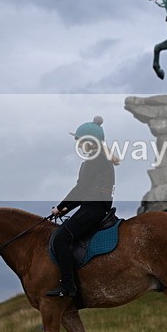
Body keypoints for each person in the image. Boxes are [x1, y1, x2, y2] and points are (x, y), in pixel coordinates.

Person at [47, 116, 116, 297]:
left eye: (80, 141)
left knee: (60, 239)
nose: (78, 144)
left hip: (92, 209)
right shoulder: (100, 158)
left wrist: (60, 207)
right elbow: (84, 192)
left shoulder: (96, 160)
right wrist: (65, 209)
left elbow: (81, 188)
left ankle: (69, 287)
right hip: (93, 206)